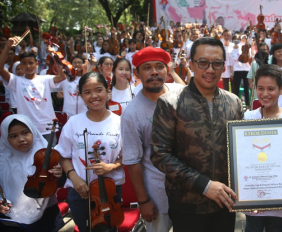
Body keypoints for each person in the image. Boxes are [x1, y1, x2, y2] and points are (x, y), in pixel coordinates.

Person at [151, 37, 243, 232]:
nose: (210, 69)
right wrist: (204, 185)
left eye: (217, 63)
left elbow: (240, 152)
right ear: (191, 64)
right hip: (186, 205)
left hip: (225, 202)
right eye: (203, 62)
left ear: (223, 66)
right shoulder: (170, 103)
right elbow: (160, 155)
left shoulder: (234, 103)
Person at [122, 48, 184, 232]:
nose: (154, 72)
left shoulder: (181, 94)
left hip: (189, 190)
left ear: (167, 70)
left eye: (159, 66)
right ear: (137, 73)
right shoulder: (131, 114)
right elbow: (133, 161)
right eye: (147, 68)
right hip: (157, 194)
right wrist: (143, 200)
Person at [55, 72, 124, 232]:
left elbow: (128, 156)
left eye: (98, 90)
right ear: (80, 95)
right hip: (81, 192)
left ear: (108, 91)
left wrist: (111, 167)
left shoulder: (120, 122)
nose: (94, 96)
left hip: (109, 191)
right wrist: (75, 178)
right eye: (87, 92)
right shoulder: (73, 122)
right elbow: (63, 155)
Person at [244, 64, 282, 232]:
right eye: (260, 88)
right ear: (254, 88)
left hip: (279, 192)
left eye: (271, 89)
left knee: (276, 228)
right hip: (253, 192)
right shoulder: (248, 117)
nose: (265, 94)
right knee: (253, 227)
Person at [0, 114, 65, 232]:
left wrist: (59, 174)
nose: (21, 139)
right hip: (11, 216)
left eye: (25, 133)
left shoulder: (46, 152)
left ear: (33, 131)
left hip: (47, 215)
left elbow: (59, 183)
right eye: (13, 136)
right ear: (5, 138)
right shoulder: (2, 159)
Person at [0, 37, 67, 137]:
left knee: (48, 153)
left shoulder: (45, 79)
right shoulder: (16, 81)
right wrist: (8, 46)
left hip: (47, 127)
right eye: (24, 63)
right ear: (21, 65)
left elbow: (62, 77)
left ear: (37, 64)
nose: (27, 66)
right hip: (27, 128)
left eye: (31, 63)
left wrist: (53, 55)